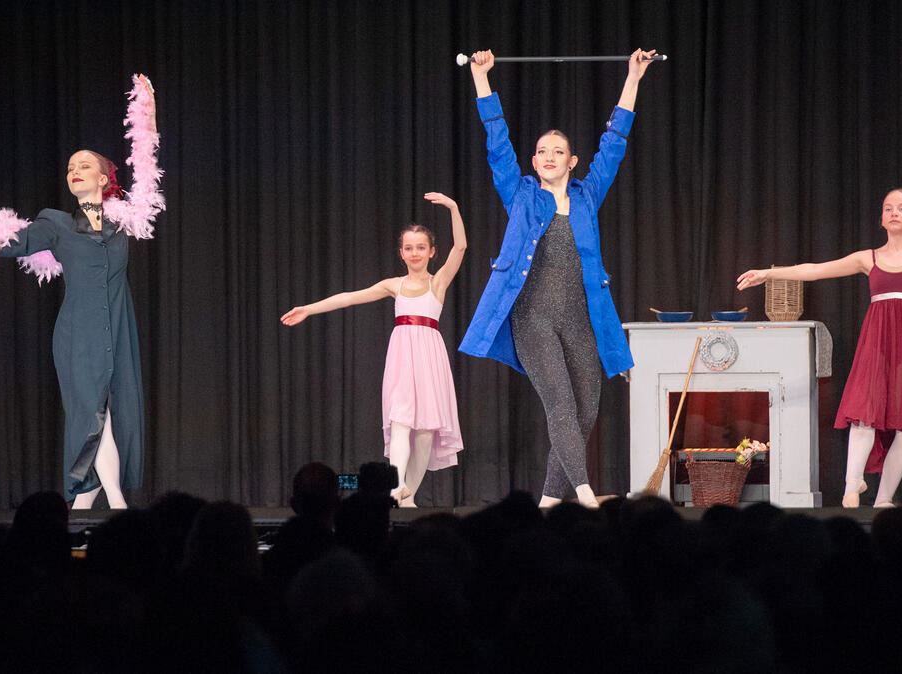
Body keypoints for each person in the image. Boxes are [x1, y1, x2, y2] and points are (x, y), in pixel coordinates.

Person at [0, 74, 164, 509]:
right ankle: (118, 508)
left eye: (83, 165)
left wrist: (148, 113)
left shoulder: (126, 220)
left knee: (112, 419)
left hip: (118, 329)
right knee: (91, 418)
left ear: (103, 178)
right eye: (69, 168)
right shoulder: (54, 225)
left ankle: (80, 512)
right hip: (78, 334)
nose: (74, 171)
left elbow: (146, 161)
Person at [460, 49, 657, 508]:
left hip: (581, 316)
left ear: (572, 161)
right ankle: (586, 496)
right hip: (531, 315)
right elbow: (497, 142)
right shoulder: (521, 194)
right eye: (542, 151)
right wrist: (482, 80)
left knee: (586, 408)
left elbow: (615, 141)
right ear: (533, 161)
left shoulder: (587, 196)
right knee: (560, 405)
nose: (549, 156)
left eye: (559, 152)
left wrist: (633, 77)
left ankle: (549, 502)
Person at [737, 151, 902, 507]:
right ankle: (852, 484)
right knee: (865, 410)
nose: (894, 212)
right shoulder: (868, 258)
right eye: (889, 207)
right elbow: (815, 269)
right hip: (878, 340)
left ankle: (884, 499)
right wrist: (769, 273)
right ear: (881, 218)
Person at [281, 193, 467, 506]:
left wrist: (453, 207)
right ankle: (396, 490)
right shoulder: (394, 285)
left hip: (429, 358)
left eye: (421, 247)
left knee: (424, 435)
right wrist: (309, 309)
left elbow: (460, 247)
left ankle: (408, 497)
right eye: (409, 248)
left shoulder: (439, 282)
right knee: (400, 424)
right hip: (402, 358)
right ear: (401, 253)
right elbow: (348, 297)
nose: (415, 252)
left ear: (432, 252)